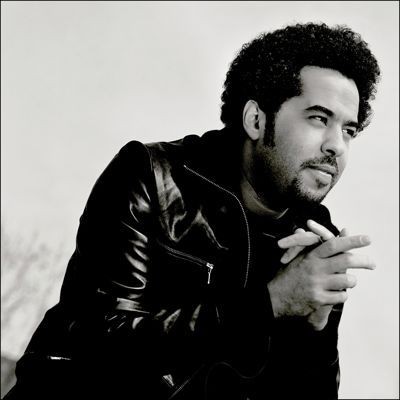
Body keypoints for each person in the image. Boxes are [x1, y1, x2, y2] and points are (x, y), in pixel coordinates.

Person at [4, 22, 380, 400]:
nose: (336, 145)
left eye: (349, 130)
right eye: (319, 118)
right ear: (256, 119)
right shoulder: (151, 175)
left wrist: (315, 331)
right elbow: (96, 344)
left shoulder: (315, 241)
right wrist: (268, 303)